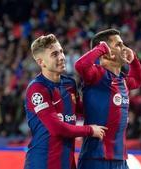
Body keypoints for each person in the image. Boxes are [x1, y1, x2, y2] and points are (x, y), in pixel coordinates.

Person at [24, 34, 107, 169]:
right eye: (54, 54)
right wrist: (90, 130)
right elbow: (57, 128)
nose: (62, 57)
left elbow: (82, 109)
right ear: (41, 62)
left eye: (61, 52)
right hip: (42, 163)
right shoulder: (37, 89)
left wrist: (111, 107)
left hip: (67, 163)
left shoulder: (69, 83)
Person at [75, 29, 141, 169]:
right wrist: (101, 48)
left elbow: (137, 80)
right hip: (96, 158)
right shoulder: (97, 74)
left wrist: (134, 59)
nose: (124, 48)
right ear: (106, 51)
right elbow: (80, 65)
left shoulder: (122, 80)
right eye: (119, 45)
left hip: (120, 159)